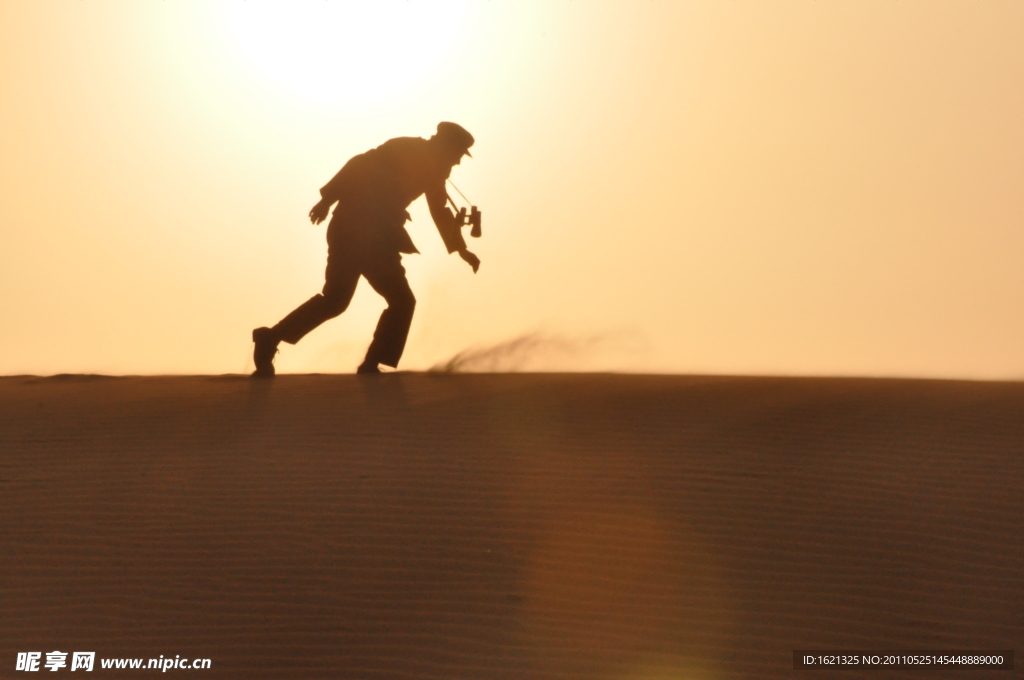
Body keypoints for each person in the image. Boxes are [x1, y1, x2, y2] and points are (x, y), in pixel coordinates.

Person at [251, 122, 479, 377]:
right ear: (446, 146)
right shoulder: (405, 148)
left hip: (367, 233)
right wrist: (327, 199)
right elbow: (358, 165)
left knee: (337, 300)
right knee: (397, 301)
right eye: (458, 154)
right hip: (363, 233)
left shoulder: (435, 169)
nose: (458, 162)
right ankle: (370, 364)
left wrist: (461, 249)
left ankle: (271, 338)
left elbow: (439, 211)